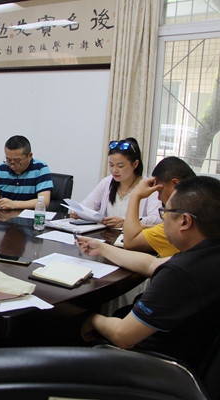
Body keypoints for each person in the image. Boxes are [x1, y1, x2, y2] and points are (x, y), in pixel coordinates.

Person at [78, 176, 220, 371]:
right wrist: (102, 248)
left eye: (166, 212)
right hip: (190, 350)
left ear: (185, 221)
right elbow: (152, 263)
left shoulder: (180, 274)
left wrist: (91, 318)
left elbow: (122, 336)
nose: (163, 219)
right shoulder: (206, 253)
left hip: (158, 365)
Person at [73, 138, 162, 228]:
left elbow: (157, 220)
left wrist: (125, 220)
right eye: (111, 165)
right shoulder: (107, 182)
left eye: (120, 166)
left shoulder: (149, 187)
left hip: (133, 236)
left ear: (135, 164)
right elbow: (87, 205)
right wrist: (78, 212)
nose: (114, 170)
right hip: (106, 235)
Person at [123, 156, 196, 257]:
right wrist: (146, 227)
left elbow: (130, 242)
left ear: (175, 184)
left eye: (160, 191)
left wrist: (136, 195)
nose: (158, 198)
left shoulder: (179, 217)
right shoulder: (202, 203)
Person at [0, 135, 53, 210]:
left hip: (28, 216)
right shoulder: (2, 168)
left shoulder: (40, 168)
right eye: (8, 160)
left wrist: (14, 204)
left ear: (30, 156)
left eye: (17, 160)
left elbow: (44, 202)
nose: (12, 165)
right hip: (4, 215)